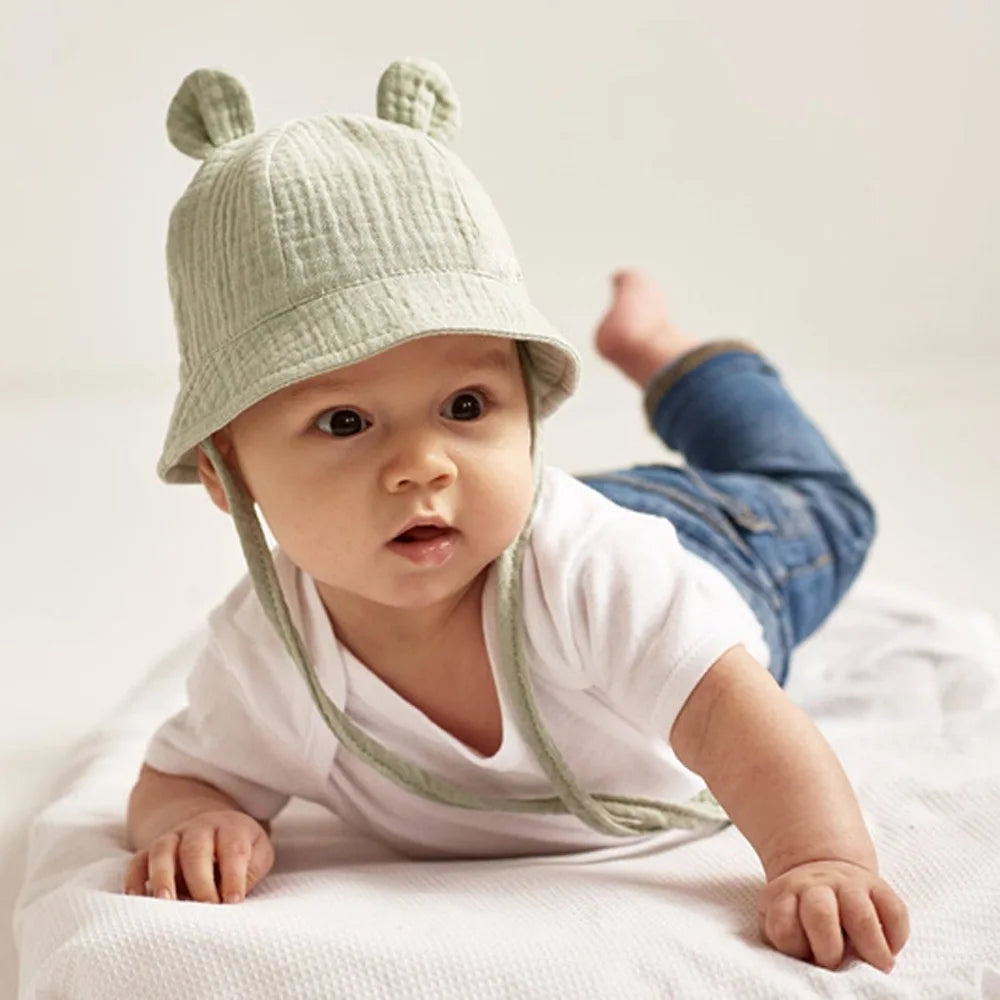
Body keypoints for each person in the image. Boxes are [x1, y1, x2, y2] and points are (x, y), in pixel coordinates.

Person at [122, 58, 910, 975]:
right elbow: (182, 775)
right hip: (519, 520)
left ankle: (678, 358)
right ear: (226, 473)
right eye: (344, 422)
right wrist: (196, 819)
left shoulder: (597, 574)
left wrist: (818, 858)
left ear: (526, 408)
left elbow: (733, 718)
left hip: (704, 544)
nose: (423, 463)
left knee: (821, 503)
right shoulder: (271, 650)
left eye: (465, 406)